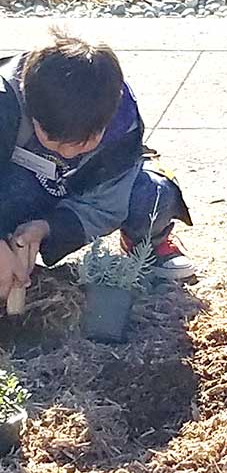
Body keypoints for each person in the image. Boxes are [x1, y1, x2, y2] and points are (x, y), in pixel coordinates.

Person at [0, 33, 195, 307]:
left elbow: (104, 206)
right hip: (16, 186)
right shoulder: (4, 102)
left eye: (84, 142)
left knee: (152, 196)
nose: (66, 153)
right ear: (30, 109)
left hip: (76, 190)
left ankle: (147, 244)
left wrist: (47, 228)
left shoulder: (122, 124)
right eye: (52, 139)